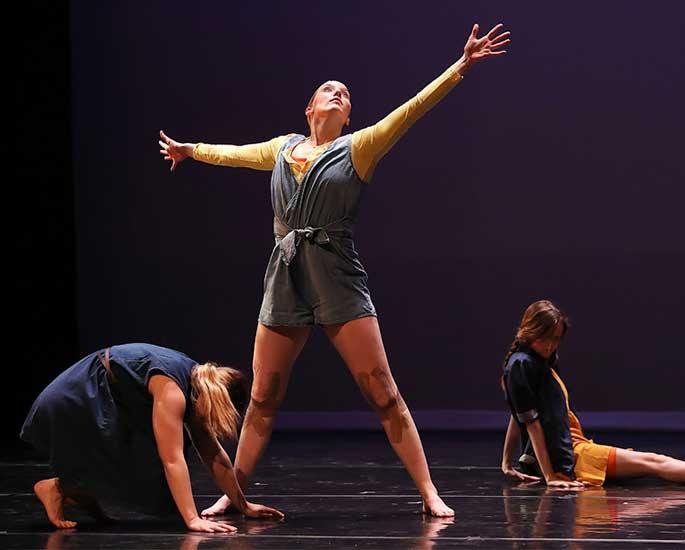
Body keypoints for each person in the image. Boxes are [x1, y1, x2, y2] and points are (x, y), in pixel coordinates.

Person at [158, 23, 511, 517]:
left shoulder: (359, 147)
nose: (339, 93)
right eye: (329, 89)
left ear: (348, 117)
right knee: (262, 396)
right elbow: (232, 154)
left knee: (383, 391)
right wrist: (189, 150)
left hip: (336, 275)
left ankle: (428, 491)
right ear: (310, 108)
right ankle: (232, 495)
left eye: (345, 94)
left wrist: (462, 65)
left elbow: (411, 111)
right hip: (284, 276)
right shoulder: (282, 149)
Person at [500, 300, 685, 488]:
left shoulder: (537, 361)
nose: (550, 345)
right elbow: (530, 423)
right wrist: (551, 476)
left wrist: (506, 463)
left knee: (655, 463)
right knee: (656, 462)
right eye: (546, 338)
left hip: (574, 447)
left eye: (556, 339)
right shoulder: (522, 365)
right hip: (573, 457)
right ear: (530, 330)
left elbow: (518, 413)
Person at [20, 343, 284, 531]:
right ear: (215, 399)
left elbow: (214, 455)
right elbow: (172, 459)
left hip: (107, 399)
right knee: (151, 460)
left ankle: (78, 491)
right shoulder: (174, 392)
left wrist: (243, 504)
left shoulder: (194, 385)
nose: (208, 423)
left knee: (142, 461)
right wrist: (192, 520)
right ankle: (56, 488)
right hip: (77, 397)